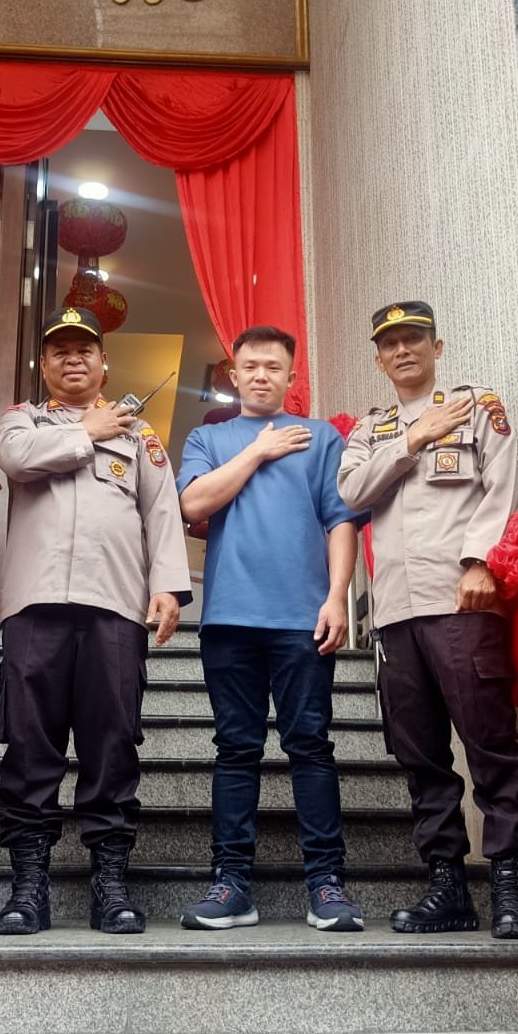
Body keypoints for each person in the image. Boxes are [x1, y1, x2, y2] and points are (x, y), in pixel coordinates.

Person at [337, 300, 518, 940]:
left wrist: (481, 561)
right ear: (378, 359)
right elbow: (351, 492)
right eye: (390, 343)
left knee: (489, 745)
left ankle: (510, 887)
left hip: (461, 602)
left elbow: (500, 488)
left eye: (414, 338)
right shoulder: (370, 430)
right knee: (420, 755)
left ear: (437, 346)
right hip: (396, 614)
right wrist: (414, 438)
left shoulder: (478, 406)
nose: (403, 350)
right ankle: (447, 886)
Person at [0, 305, 191, 936]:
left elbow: (162, 513)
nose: (73, 359)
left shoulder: (140, 435)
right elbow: (15, 461)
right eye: (60, 350)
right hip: (35, 607)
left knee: (112, 744)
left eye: (85, 350)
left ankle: (110, 882)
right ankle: (28, 886)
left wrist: (167, 587)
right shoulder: (21, 421)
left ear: (104, 363)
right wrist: (88, 430)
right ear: (43, 364)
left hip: (114, 609)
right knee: (30, 745)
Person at [176, 325, 363, 933]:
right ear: (233, 375)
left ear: (290, 376)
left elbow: (340, 521)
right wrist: (257, 451)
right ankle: (231, 884)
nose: (261, 375)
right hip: (230, 618)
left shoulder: (322, 437)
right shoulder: (208, 438)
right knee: (236, 750)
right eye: (250, 366)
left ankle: (326, 884)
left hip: (302, 619)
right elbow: (193, 504)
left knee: (310, 746)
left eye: (273, 367)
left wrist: (337, 598)